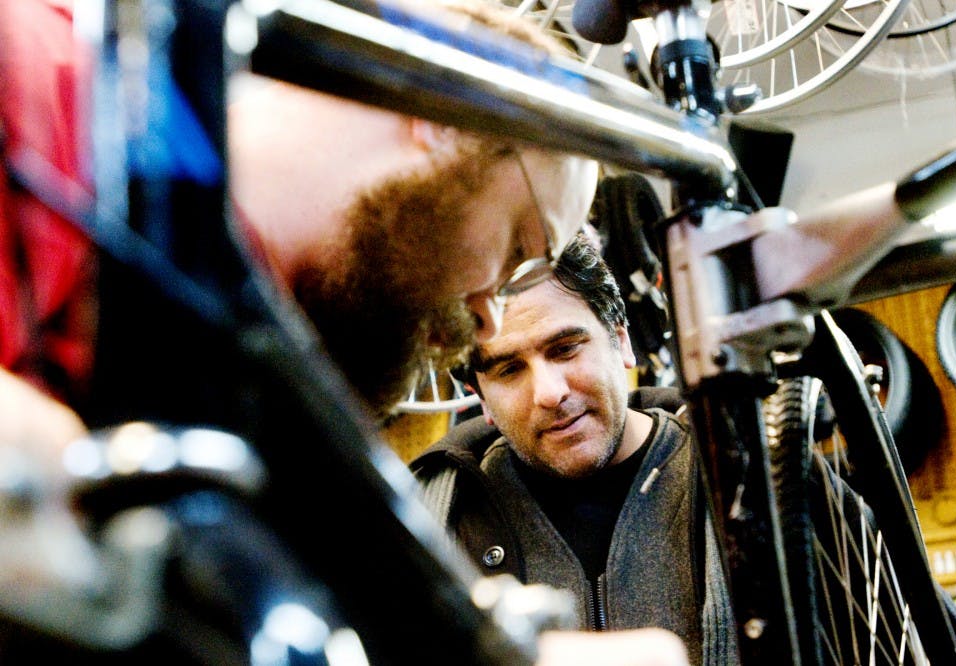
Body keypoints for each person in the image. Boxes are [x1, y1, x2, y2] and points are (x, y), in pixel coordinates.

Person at [0, 0, 691, 664]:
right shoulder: (37, 77)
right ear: (445, 123)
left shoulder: (234, 340)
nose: (486, 319)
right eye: (516, 247)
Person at [412, 233, 735, 665]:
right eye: (509, 369)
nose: (549, 392)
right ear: (482, 399)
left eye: (565, 349)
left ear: (621, 341)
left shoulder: (746, 474)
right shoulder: (437, 520)